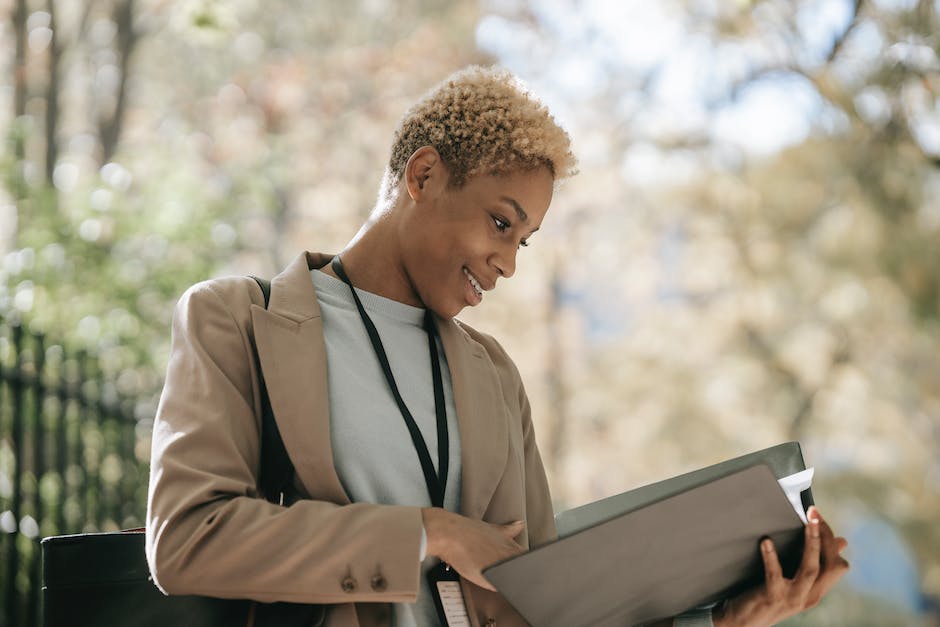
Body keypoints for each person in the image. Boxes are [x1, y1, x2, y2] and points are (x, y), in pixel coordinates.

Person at [146, 66, 849, 627]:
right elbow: (187, 538)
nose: (509, 262)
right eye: (499, 222)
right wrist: (433, 532)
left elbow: (550, 603)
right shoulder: (237, 320)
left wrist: (726, 618)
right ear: (422, 177)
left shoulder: (494, 376)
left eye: (523, 239)